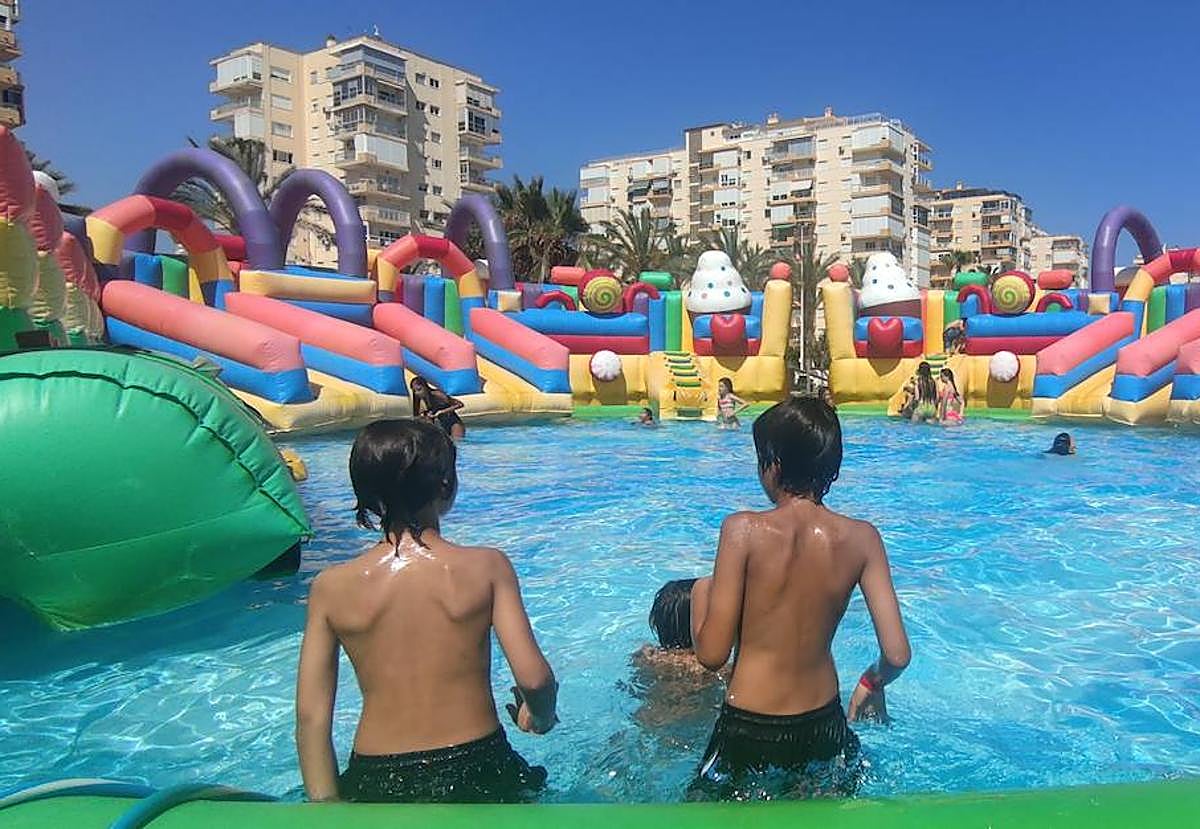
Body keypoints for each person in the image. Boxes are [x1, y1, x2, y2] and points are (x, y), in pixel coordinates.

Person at [295, 419, 557, 803]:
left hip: (377, 775)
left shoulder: (330, 588)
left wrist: (327, 807)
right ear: (446, 485)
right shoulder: (488, 568)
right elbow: (535, 680)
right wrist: (540, 717)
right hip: (478, 764)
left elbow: (311, 717)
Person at [690, 397, 911, 800]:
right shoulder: (863, 538)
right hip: (823, 723)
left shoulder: (742, 530)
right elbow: (896, 655)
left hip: (748, 724)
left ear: (773, 464)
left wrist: (699, 600)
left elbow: (711, 654)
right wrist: (870, 682)